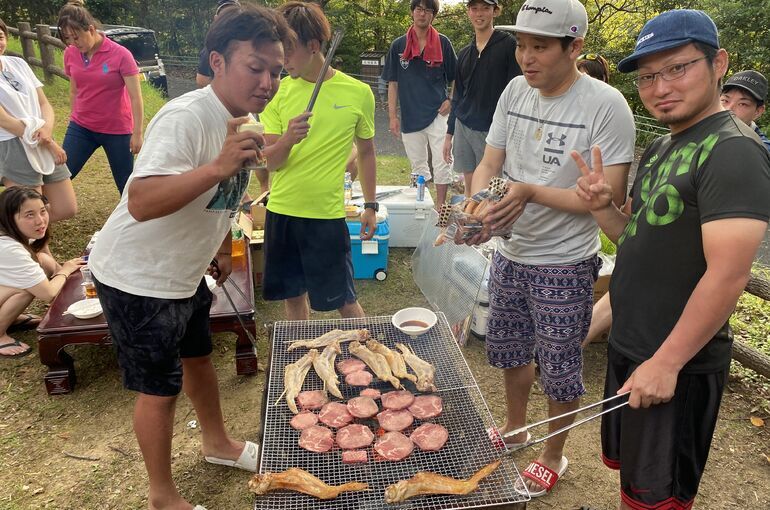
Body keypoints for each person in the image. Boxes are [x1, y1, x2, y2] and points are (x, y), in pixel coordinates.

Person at [87, 6, 293, 509]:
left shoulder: (246, 118)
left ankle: (218, 444)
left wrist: (220, 247)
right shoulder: (186, 116)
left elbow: (226, 194)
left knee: (199, 359)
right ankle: (162, 497)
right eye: (256, 67)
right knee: (160, 389)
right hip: (139, 278)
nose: (268, 81)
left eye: (277, 71)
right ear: (219, 61)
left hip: (184, 273)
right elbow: (141, 200)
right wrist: (219, 163)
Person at [574, 9, 770, 509]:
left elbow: (729, 273)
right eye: (647, 76)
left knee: (655, 500)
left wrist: (666, 362)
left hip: (676, 366)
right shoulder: (663, 146)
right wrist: (603, 211)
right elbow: (639, 240)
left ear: (718, 63)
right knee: (631, 484)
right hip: (633, 349)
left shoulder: (733, 150)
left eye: (678, 68)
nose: (660, 87)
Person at [464, 0, 635, 497]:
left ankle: (552, 453)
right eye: (521, 44)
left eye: (540, 46)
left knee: (560, 364)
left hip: (563, 260)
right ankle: (516, 429)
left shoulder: (606, 105)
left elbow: (607, 196)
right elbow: (490, 162)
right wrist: (479, 203)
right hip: (510, 253)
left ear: (574, 46)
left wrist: (531, 191)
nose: (525, 57)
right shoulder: (515, 91)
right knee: (511, 351)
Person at [259, 1, 376, 321]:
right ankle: (303, 361)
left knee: (345, 302)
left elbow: (366, 153)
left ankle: (368, 358)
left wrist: (370, 205)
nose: (282, 60)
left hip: (326, 217)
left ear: (313, 46)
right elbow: (269, 162)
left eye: (288, 49)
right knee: (294, 298)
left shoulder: (358, 92)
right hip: (282, 212)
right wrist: (287, 140)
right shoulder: (276, 92)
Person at [57, 0, 144, 195]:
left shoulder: (121, 55)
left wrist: (137, 133)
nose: (73, 43)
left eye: (76, 37)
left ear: (91, 29)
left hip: (117, 130)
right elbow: (74, 89)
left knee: (126, 185)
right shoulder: (71, 53)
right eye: (68, 38)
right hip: (82, 126)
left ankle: (134, 223)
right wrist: (74, 116)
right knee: (60, 174)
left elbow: (136, 98)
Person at [0, 18, 77, 222]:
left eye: (0, 37)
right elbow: (5, 121)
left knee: (65, 207)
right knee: (29, 210)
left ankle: (8, 227)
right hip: (13, 143)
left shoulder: (18, 64)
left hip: (41, 137)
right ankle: (35, 250)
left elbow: (44, 104)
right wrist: (47, 141)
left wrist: (48, 131)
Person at [383, 0, 457, 211]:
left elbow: (457, 78)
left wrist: (451, 100)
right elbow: (393, 83)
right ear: (412, 12)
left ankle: (441, 207)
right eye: (418, 9)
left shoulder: (443, 43)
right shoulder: (399, 45)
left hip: (438, 114)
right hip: (410, 115)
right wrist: (392, 116)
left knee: (443, 163)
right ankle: (420, 206)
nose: (422, 14)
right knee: (418, 165)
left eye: (428, 10)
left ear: (433, 15)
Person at [443, 0, 521, 198]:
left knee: (489, 193)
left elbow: (518, 91)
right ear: (468, 12)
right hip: (463, 125)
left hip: (492, 130)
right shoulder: (464, 53)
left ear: (495, 11)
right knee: (469, 190)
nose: (479, 14)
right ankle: (470, 226)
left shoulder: (509, 45)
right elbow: (457, 95)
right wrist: (449, 134)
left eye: (485, 8)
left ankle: (491, 228)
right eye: (474, 8)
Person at [0, 187, 84, 357]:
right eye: (29, 215)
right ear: (9, 218)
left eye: (43, 211)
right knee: (24, 289)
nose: (40, 221)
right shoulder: (9, 248)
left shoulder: (12, 234)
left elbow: (45, 260)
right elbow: (48, 293)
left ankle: (12, 319)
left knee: (42, 261)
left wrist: (63, 274)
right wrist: (66, 271)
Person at [720, 69, 770, 152]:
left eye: (742, 104)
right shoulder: (700, 130)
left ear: (758, 111)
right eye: (725, 100)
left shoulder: (761, 151)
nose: (728, 109)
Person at [196, 0, 241, 88]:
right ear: (216, 19)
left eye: (233, 15)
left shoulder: (248, 43)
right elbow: (201, 80)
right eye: (224, 16)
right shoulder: (212, 47)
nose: (228, 20)